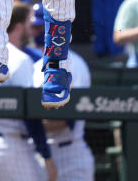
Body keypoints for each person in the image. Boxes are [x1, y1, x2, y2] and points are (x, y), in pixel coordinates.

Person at [0, 2, 57, 181]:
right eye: (29, 24)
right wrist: (46, 156)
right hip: (8, 145)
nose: (32, 30)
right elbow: (31, 114)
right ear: (19, 25)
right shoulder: (20, 59)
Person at [32, 50, 94, 181]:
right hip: (41, 151)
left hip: (70, 153)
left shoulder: (75, 64)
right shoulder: (36, 64)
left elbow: (66, 120)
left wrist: (29, 126)